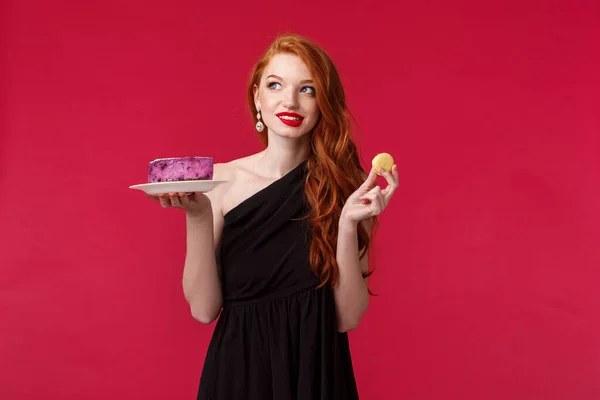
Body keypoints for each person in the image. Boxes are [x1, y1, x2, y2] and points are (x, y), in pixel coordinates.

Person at [150, 33, 398, 399]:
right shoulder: (220, 181)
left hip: (318, 375)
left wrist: (347, 225)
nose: (290, 100)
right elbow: (203, 310)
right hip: (240, 374)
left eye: (307, 89)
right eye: (275, 84)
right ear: (257, 98)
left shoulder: (347, 187)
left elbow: (347, 317)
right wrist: (198, 216)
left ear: (323, 103)